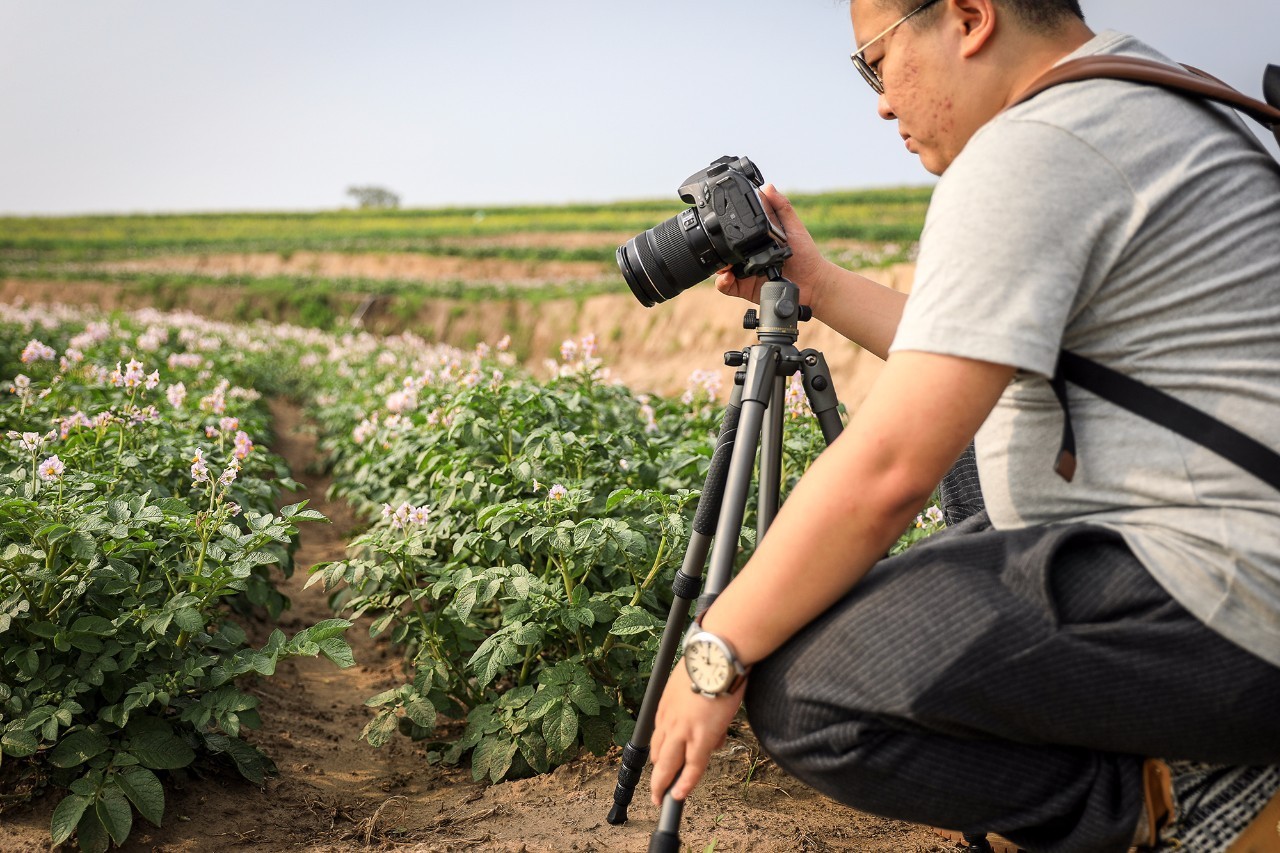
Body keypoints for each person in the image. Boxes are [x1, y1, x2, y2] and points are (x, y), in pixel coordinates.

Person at [647, 1, 1280, 851]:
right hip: (1235, 550)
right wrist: (814, 281)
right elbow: (954, 357)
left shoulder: (1033, 149)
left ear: (970, 17)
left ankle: (1177, 802)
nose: (878, 101)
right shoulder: (1150, 93)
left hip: (1240, 605)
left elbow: (888, 469)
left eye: (876, 61)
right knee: (978, 439)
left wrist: (716, 646)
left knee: (806, 686)